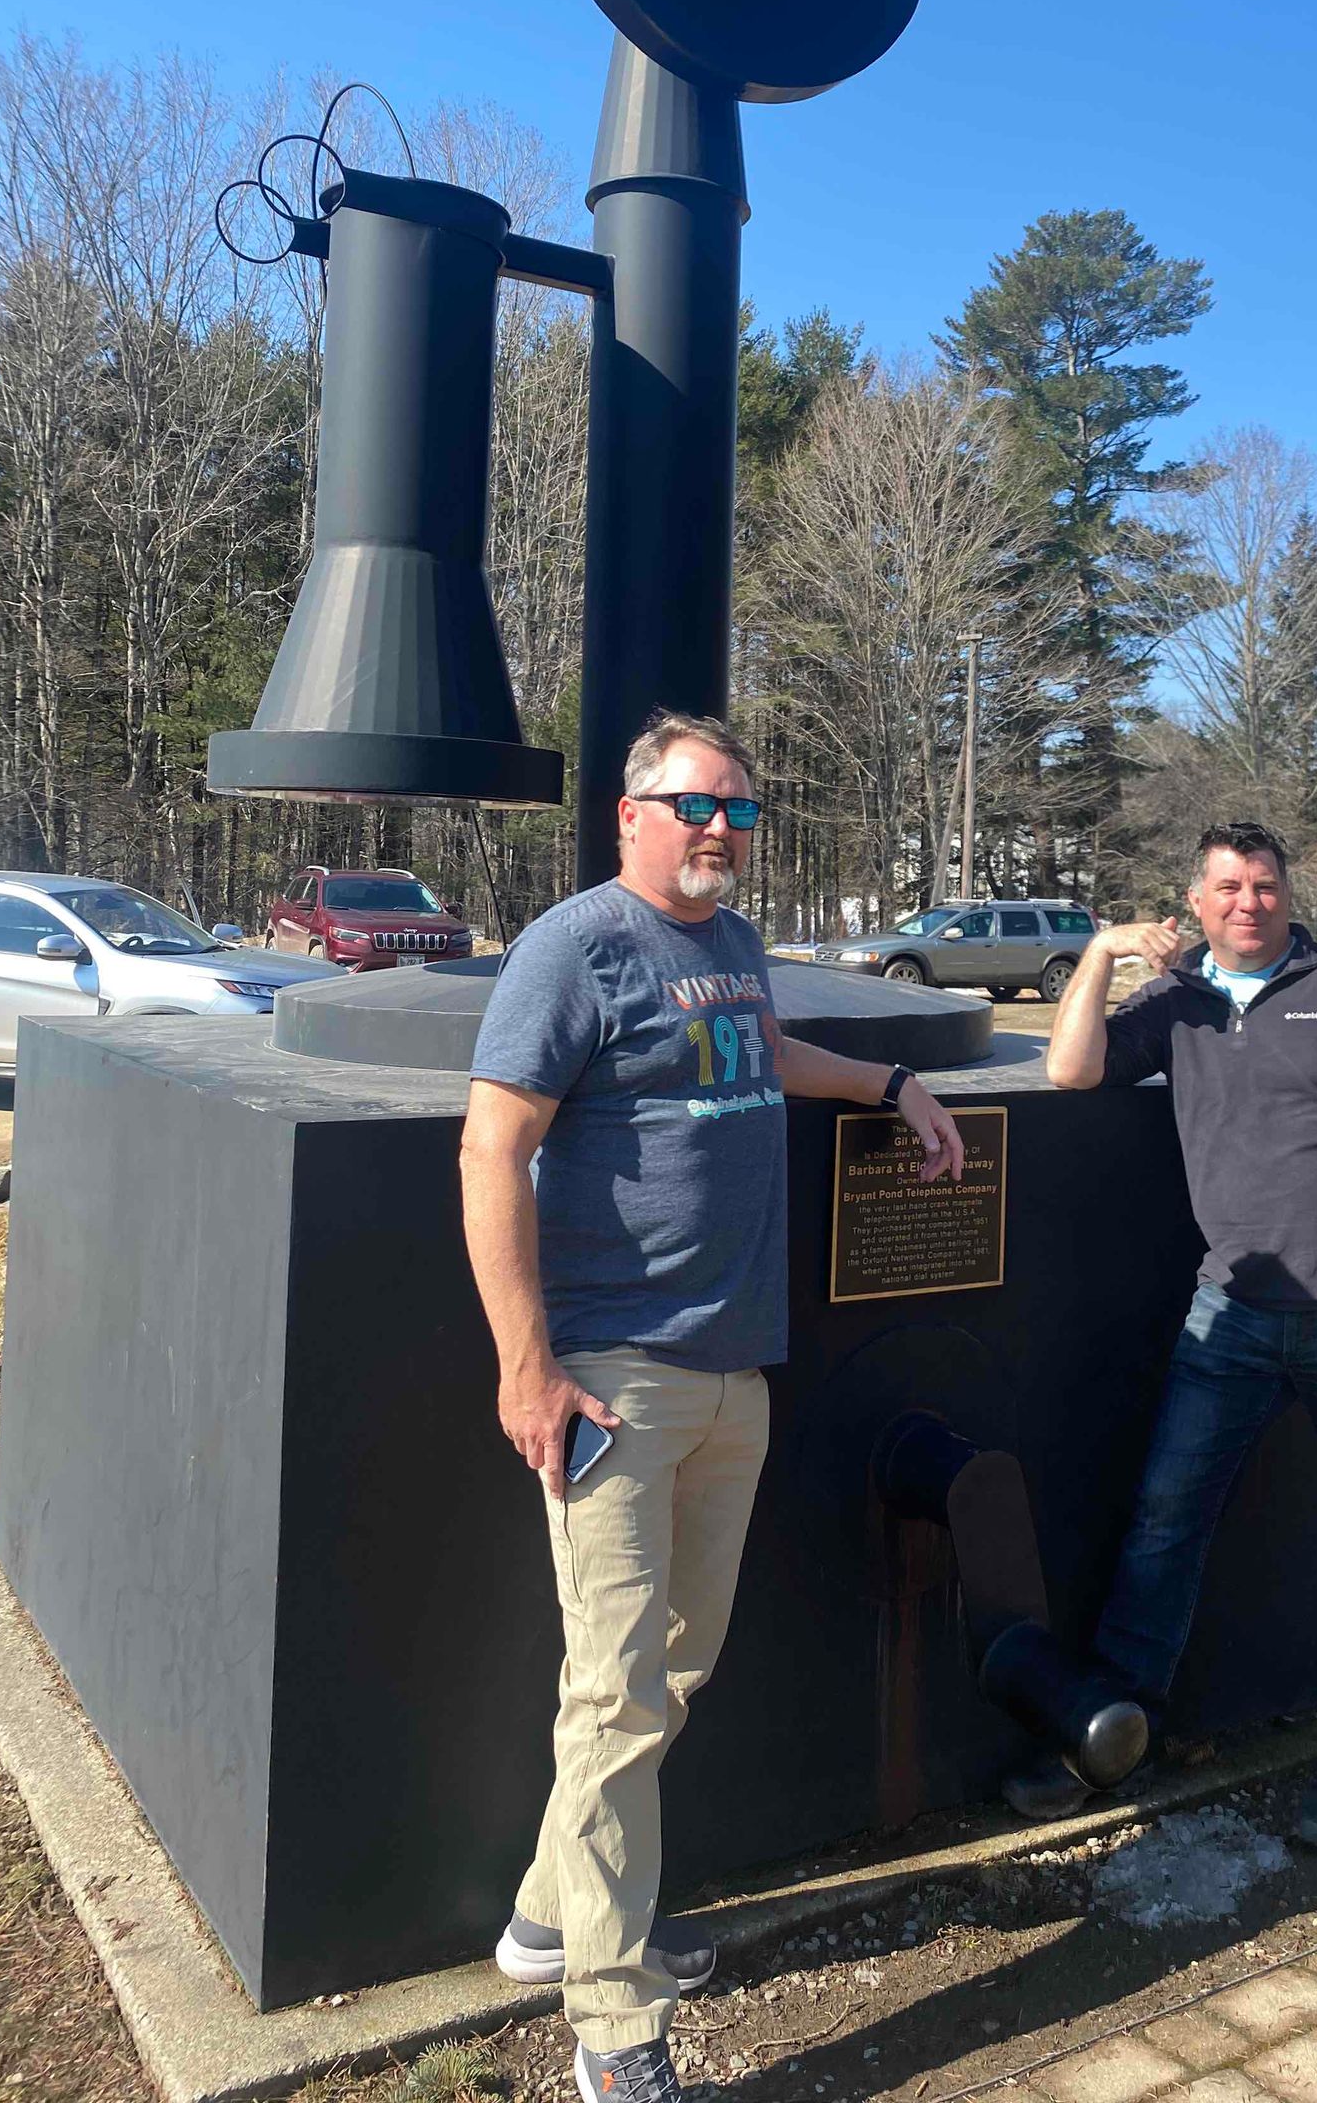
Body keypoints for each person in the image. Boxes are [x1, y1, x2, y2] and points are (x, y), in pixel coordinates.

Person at [459, 711, 965, 2103]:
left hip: (736, 1372)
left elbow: (761, 1052)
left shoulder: (731, 946)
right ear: (631, 813)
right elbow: (492, 1146)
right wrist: (525, 1365)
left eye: (739, 811)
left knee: (673, 1671)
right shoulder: (574, 946)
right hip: (614, 1378)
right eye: (695, 806)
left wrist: (891, 1080)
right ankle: (614, 2025)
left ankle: (555, 1917)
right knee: (613, 1695)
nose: (720, 831)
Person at [1009, 821, 1317, 1854]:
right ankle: (1112, 1733)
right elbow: (1071, 1070)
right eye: (1227, 887)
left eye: (1263, 885)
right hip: (1233, 1311)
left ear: (1286, 894)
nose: (1247, 902)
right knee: (1164, 1521)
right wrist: (1099, 952)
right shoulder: (1176, 1001)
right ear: (1196, 900)